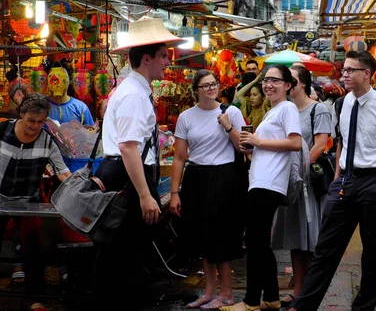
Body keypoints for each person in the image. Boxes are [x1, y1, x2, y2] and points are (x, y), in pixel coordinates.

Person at [288, 50, 376, 311]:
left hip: (375, 181)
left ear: (367, 74)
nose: (344, 74)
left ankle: (363, 307)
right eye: (344, 70)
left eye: (351, 70)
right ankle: (303, 305)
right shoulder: (341, 104)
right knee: (326, 248)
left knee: (372, 252)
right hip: (345, 180)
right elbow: (341, 140)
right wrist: (338, 173)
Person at [93, 18, 185, 310]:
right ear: (146, 58)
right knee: (123, 252)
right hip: (127, 177)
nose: (167, 62)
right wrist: (145, 195)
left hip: (128, 174)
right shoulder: (133, 94)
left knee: (125, 252)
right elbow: (128, 148)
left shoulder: (136, 90)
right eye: (163, 55)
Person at [223, 64, 302, 311]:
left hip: (269, 183)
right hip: (260, 180)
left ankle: (251, 302)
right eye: (266, 80)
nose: (268, 85)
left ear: (288, 85)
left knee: (255, 242)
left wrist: (258, 141)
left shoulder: (287, 107)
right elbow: (270, 146)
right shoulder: (272, 110)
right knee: (259, 242)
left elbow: (296, 143)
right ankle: (271, 297)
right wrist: (252, 147)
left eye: (275, 81)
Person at [169, 70, 245, 309]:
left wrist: (227, 126)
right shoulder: (186, 117)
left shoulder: (230, 111)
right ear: (196, 90)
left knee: (222, 237)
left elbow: (243, 147)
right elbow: (180, 157)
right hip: (196, 177)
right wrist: (174, 192)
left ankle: (227, 294)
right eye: (205, 86)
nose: (211, 89)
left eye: (214, 84)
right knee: (201, 237)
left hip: (225, 177)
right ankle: (209, 292)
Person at [0, 93, 72, 311]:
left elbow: (62, 172)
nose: (35, 126)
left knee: (33, 250)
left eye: (41, 122)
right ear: (21, 114)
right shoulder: (3, 130)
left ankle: (35, 299)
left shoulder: (48, 140)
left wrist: (78, 187)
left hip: (28, 202)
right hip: (0, 199)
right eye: (31, 120)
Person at [271, 64, 332, 307]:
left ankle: (309, 290)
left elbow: (320, 144)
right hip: (287, 180)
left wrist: (300, 167)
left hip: (307, 180)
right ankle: (297, 288)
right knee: (295, 238)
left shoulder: (318, 110)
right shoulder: (283, 109)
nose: (288, 83)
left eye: (292, 79)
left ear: (303, 83)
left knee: (311, 238)